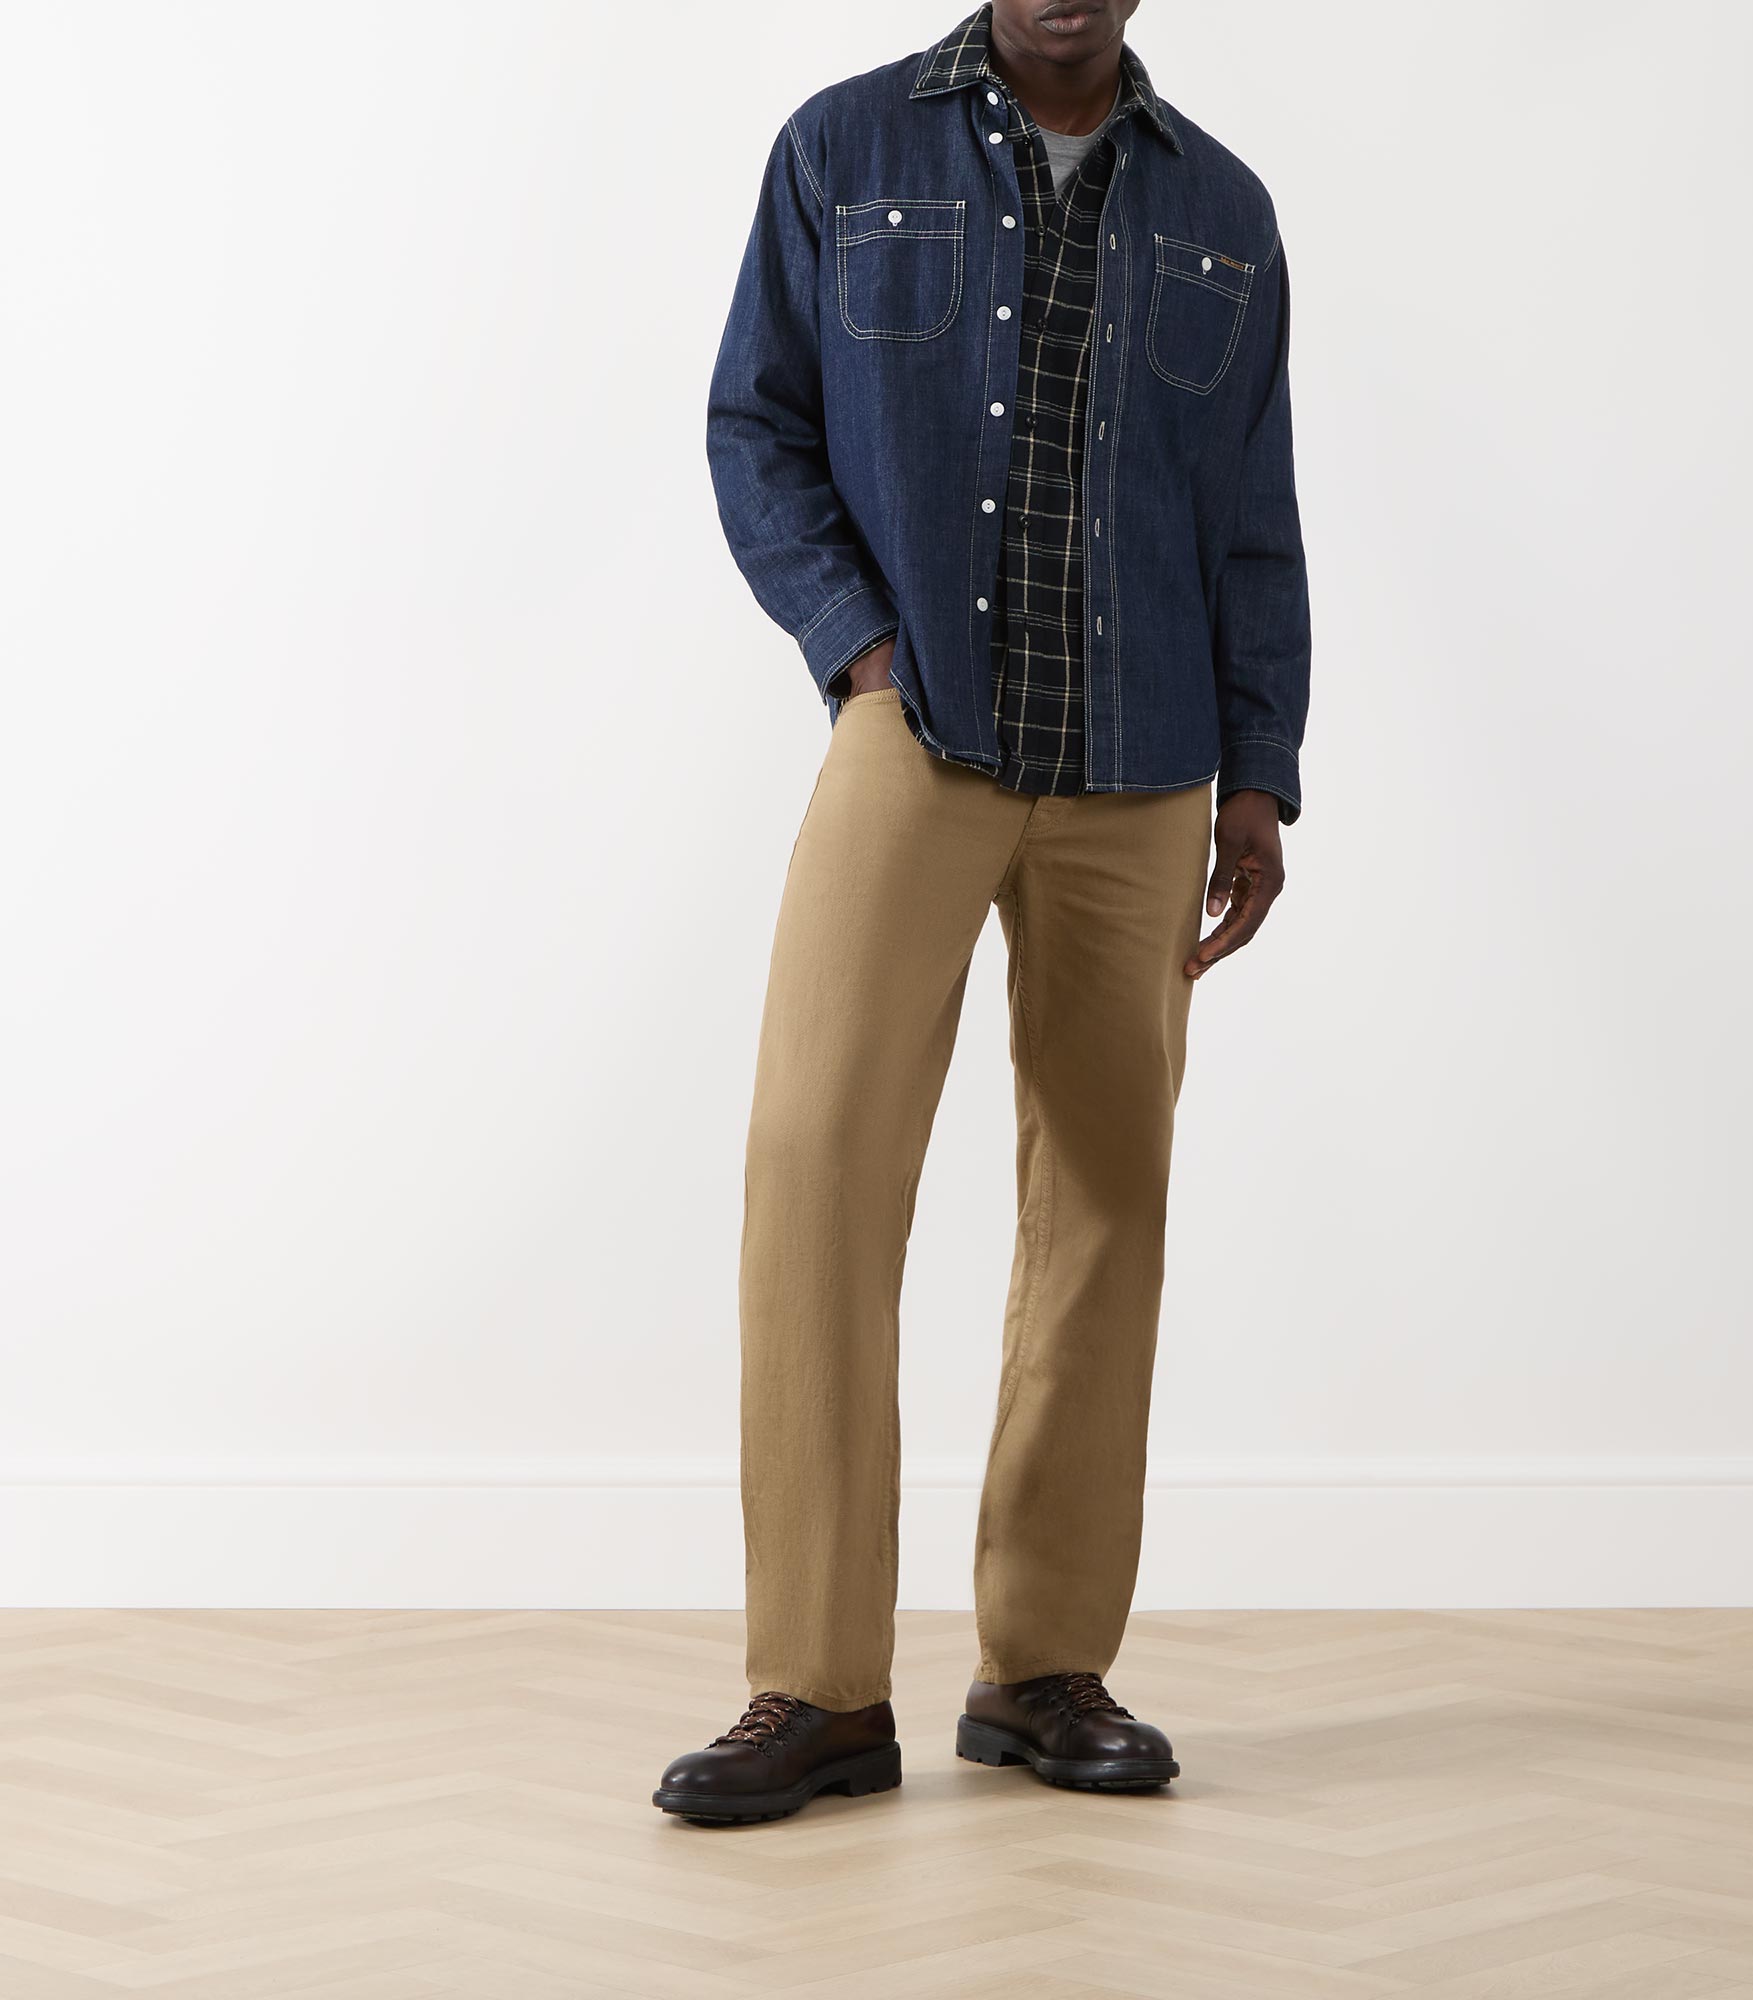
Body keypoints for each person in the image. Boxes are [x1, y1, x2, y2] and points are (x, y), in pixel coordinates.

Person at [654, 0, 1309, 1826]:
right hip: (916, 725)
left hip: (1148, 754)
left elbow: (1251, 509)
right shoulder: (844, 148)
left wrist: (1259, 769)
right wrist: (858, 649)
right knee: (815, 1158)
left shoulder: (1225, 209)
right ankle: (816, 1687)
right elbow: (756, 426)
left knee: (1106, 1198)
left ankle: (1041, 1671)